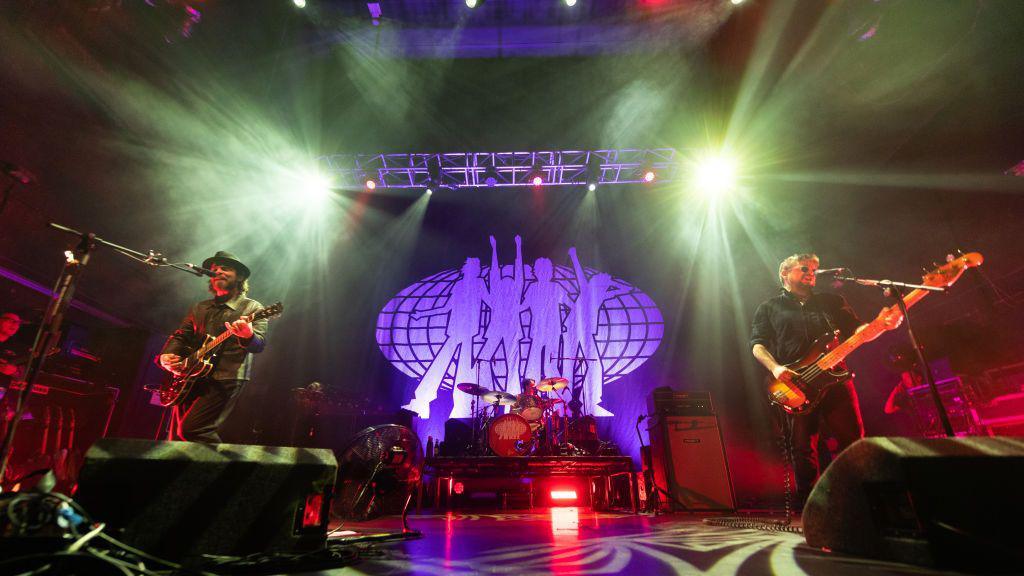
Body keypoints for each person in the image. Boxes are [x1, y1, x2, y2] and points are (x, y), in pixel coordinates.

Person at [750, 253, 902, 507]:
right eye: (804, 268)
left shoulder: (831, 301)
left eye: (814, 269)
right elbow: (757, 345)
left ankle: (862, 501)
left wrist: (881, 326)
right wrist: (776, 369)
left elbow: (858, 332)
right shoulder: (769, 308)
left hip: (835, 379)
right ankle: (813, 508)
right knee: (803, 448)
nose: (812, 272)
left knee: (853, 441)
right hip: (795, 383)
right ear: (784, 274)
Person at [158, 251, 267, 443]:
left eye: (225, 268)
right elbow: (180, 336)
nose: (218, 272)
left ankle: (219, 470)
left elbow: (259, 345)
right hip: (190, 375)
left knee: (192, 430)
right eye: (214, 269)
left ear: (240, 276)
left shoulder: (252, 308)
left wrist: (247, 336)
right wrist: (166, 356)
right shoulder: (199, 308)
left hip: (225, 377)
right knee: (176, 436)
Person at [0, 312, 24, 382]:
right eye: (11, 321)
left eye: (18, 323)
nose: (15, 325)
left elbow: (22, 377)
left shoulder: (17, 348)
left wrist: (14, 371)